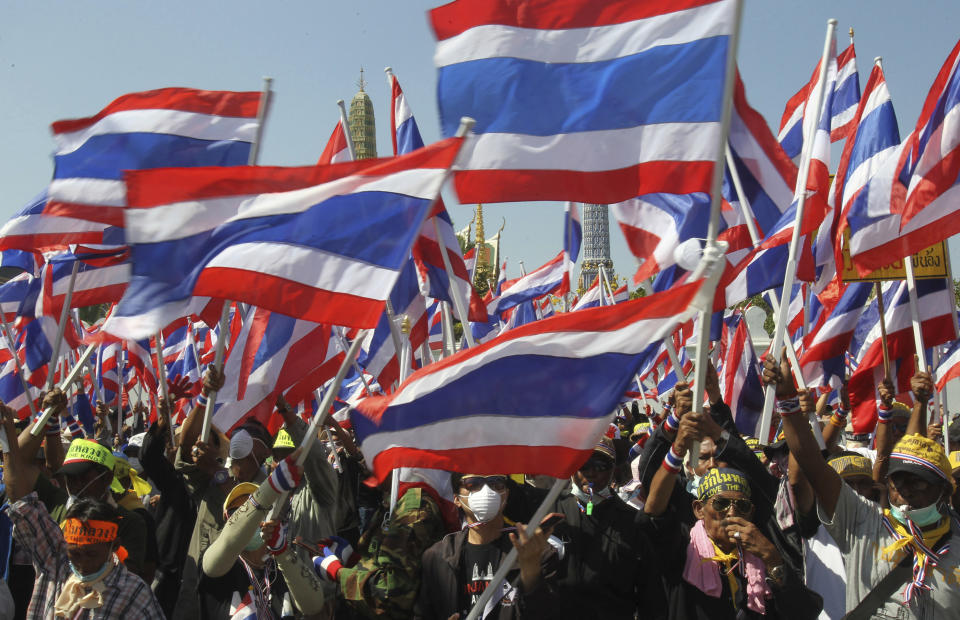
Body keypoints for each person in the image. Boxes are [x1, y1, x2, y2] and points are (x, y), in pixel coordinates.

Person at [765, 351, 960, 617]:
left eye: (920, 483)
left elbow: (914, 452)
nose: (906, 491)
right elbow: (811, 462)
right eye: (898, 482)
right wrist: (787, 399)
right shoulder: (863, 524)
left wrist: (921, 404)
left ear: (945, 491)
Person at [2, 406, 164, 618]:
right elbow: (19, 495)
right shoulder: (56, 562)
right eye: (75, 553)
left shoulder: (133, 593)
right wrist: (7, 434)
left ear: (114, 546)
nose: (82, 564)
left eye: (91, 554)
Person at [503, 436, 666, 619]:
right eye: (583, 465)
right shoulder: (546, 505)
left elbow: (651, 595)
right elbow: (504, 489)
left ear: (613, 469)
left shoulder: (634, 522)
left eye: (600, 465)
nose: (590, 472)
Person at [415, 473, 557, 619]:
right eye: (473, 484)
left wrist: (531, 569)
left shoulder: (536, 550)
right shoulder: (437, 558)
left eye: (496, 482)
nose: (486, 491)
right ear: (456, 499)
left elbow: (547, 612)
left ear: (506, 495)